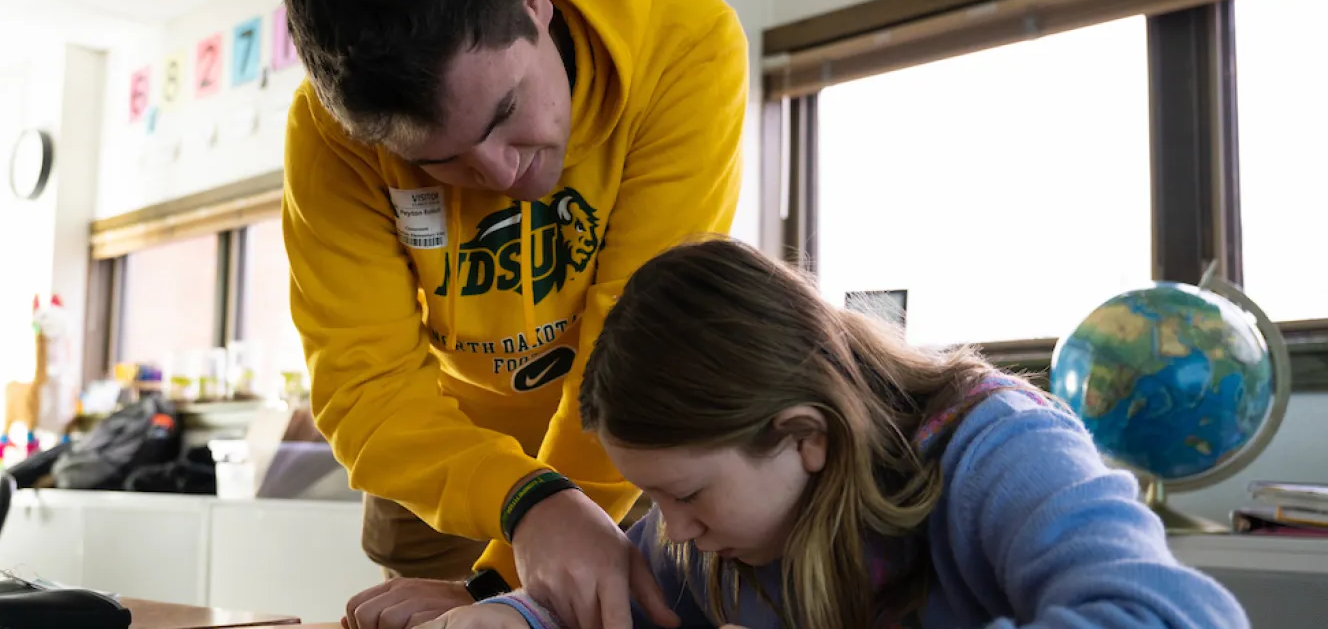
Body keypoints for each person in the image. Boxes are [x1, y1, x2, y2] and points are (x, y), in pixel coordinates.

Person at [281, 0, 747, 629]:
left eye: (506, 113)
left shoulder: (684, 45)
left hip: (627, 446)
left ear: (531, 2)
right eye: (442, 163)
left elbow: (641, 340)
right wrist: (520, 501)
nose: (502, 177)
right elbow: (364, 382)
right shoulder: (330, 136)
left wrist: (507, 566)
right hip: (439, 459)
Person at [410, 238, 1249, 629]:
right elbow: (609, 595)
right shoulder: (718, 534)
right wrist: (509, 620)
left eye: (687, 495)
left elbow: (1170, 614)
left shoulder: (1000, 446)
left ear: (804, 435)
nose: (671, 529)